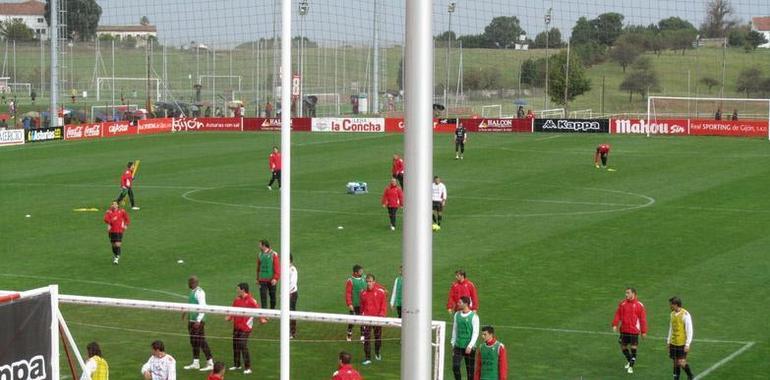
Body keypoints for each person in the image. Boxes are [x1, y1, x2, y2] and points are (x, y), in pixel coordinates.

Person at [225, 283, 261, 375]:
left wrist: (262, 318)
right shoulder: (236, 300)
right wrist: (229, 317)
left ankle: (248, 367)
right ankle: (237, 365)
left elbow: (258, 311)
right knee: (235, 345)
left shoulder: (251, 301)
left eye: (238, 289)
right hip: (236, 326)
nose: (237, 291)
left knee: (242, 344)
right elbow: (233, 310)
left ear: (243, 290)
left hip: (246, 328)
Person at [611, 287, 648, 374]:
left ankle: (631, 366)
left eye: (628, 293)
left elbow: (643, 319)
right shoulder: (623, 303)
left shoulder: (639, 305)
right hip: (624, 330)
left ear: (633, 294)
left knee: (633, 348)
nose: (626, 294)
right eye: (626, 293)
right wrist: (615, 324)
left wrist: (643, 331)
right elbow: (618, 314)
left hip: (634, 331)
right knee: (623, 347)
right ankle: (630, 360)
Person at [182, 276, 214, 371]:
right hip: (192, 320)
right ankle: (196, 362)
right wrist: (185, 311)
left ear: (193, 283)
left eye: (189, 282)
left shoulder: (199, 293)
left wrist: (199, 320)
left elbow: (203, 307)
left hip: (197, 322)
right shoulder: (193, 292)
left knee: (201, 341)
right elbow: (191, 304)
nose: (188, 284)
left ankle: (210, 362)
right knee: (194, 342)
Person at [360, 274, 388, 366]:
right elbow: (362, 307)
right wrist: (362, 317)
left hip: (377, 319)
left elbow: (383, 305)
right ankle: (368, 358)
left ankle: (377, 352)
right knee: (366, 339)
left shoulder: (380, 292)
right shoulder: (363, 293)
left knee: (378, 338)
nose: (369, 283)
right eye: (367, 281)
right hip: (367, 320)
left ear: (374, 282)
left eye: (370, 281)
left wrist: (381, 316)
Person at [451, 296, 479, 380]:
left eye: (460, 302)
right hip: (458, 345)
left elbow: (475, 333)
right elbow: (454, 329)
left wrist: (470, 346)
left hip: (469, 347)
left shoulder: (474, 317)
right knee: (455, 366)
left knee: (470, 371)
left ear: (466, 304)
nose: (458, 304)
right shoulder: (457, 315)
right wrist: (453, 343)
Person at [667, 296, 695, 380]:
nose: (670, 306)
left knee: (681, 362)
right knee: (675, 362)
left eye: (671, 305)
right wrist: (668, 341)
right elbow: (671, 328)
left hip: (682, 343)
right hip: (673, 342)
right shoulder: (672, 314)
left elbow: (689, 330)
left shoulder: (685, 315)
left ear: (676, 305)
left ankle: (690, 375)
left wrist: (687, 344)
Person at [345, 264, 367, 342]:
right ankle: (349, 333)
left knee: (363, 319)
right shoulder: (350, 281)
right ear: (356, 273)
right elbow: (348, 293)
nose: (362, 272)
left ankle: (362, 336)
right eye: (360, 271)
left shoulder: (364, 278)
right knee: (352, 320)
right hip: (354, 305)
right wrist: (349, 304)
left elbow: (373, 284)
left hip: (363, 304)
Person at [257, 240, 280, 309]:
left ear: (264, 246)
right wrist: (257, 278)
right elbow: (258, 268)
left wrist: (275, 278)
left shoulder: (273, 254)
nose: (259, 246)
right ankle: (265, 314)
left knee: (272, 296)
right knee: (263, 296)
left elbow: (277, 267)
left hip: (271, 279)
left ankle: (272, 310)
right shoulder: (260, 254)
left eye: (260, 245)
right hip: (262, 279)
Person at [289, 254, 298, 339]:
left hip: (292, 294)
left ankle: (292, 332)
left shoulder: (292, 270)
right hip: (287, 294)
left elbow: (292, 283)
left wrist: (286, 293)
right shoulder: (286, 269)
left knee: (291, 312)